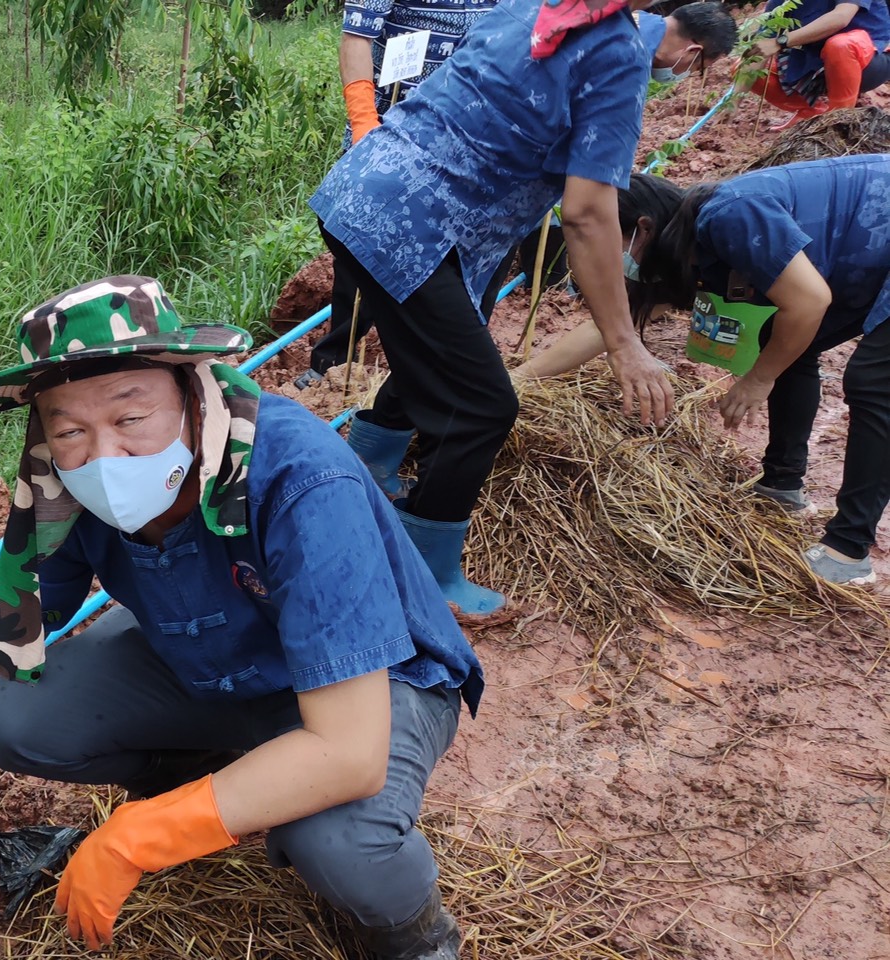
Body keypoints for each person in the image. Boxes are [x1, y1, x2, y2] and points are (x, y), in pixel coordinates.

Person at [0, 276, 486, 960]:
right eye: (69, 428)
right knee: (12, 720)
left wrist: (141, 835)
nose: (102, 455)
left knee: (338, 842)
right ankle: (221, 777)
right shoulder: (59, 480)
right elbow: (7, 638)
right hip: (215, 671)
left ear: (193, 390)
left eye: (130, 418)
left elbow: (350, 751)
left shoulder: (299, 478)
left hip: (377, 686)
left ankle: (414, 935)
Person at [307, 0, 676, 615]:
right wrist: (623, 341)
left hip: (366, 190)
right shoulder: (615, 51)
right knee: (483, 406)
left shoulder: (531, 5)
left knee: (446, 348)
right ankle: (424, 571)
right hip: (410, 224)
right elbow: (586, 213)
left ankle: (367, 462)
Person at [519, 159, 890, 585]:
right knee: (782, 338)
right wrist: (521, 380)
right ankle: (781, 487)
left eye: (605, 238)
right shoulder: (676, 255)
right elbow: (606, 328)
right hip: (867, 257)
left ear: (642, 227)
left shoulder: (729, 214)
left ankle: (846, 549)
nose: (601, 255)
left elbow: (808, 302)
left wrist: (758, 379)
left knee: (874, 381)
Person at [299, 0, 502, 387]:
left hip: (471, 135)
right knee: (362, 248)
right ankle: (335, 361)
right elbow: (357, 37)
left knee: (459, 254)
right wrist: (363, 125)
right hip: (393, 130)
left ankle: (446, 364)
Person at [736, 0, 890, 128]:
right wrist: (733, 102)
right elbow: (760, 50)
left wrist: (780, 41)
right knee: (741, 69)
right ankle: (810, 114)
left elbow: (841, 17)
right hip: (818, 62)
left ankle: (838, 124)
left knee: (840, 46)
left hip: (871, 59)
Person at [639, 2, 740, 84]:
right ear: (693, 50)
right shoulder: (634, 66)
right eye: (698, 68)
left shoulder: (632, 15)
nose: (690, 73)